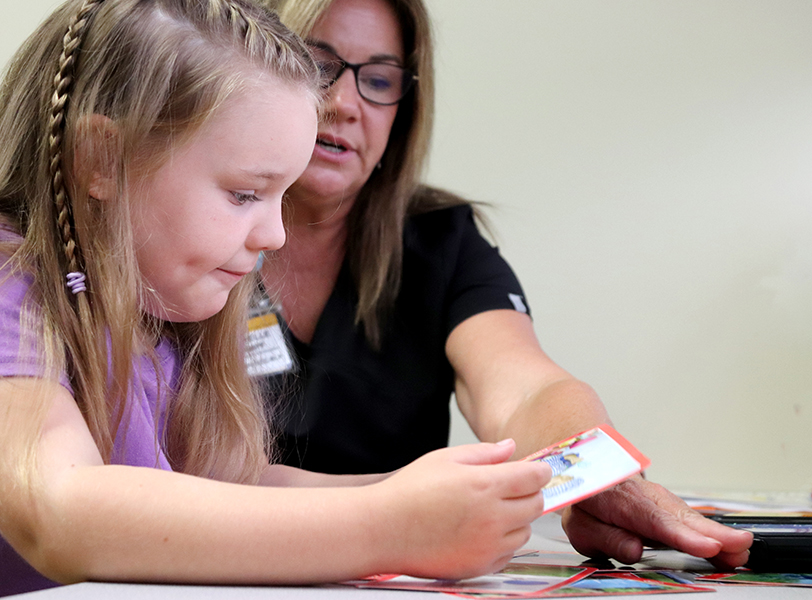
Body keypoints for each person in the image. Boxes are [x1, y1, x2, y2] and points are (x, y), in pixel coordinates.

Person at [0, 0, 556, 598]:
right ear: (101, 158)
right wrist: (389, 524)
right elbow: (61, 509)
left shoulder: (155, 307)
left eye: (282, 197)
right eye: (247, 194)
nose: (275, 234)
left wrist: (428, 495)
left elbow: (226, 487)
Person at [255, 0, 754, 570]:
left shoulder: (439, 241)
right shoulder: (183, 233)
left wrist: (592, 470)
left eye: (378, 80)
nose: (343, 104)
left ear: (406, 107)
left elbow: (526, 389)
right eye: (317, 66)